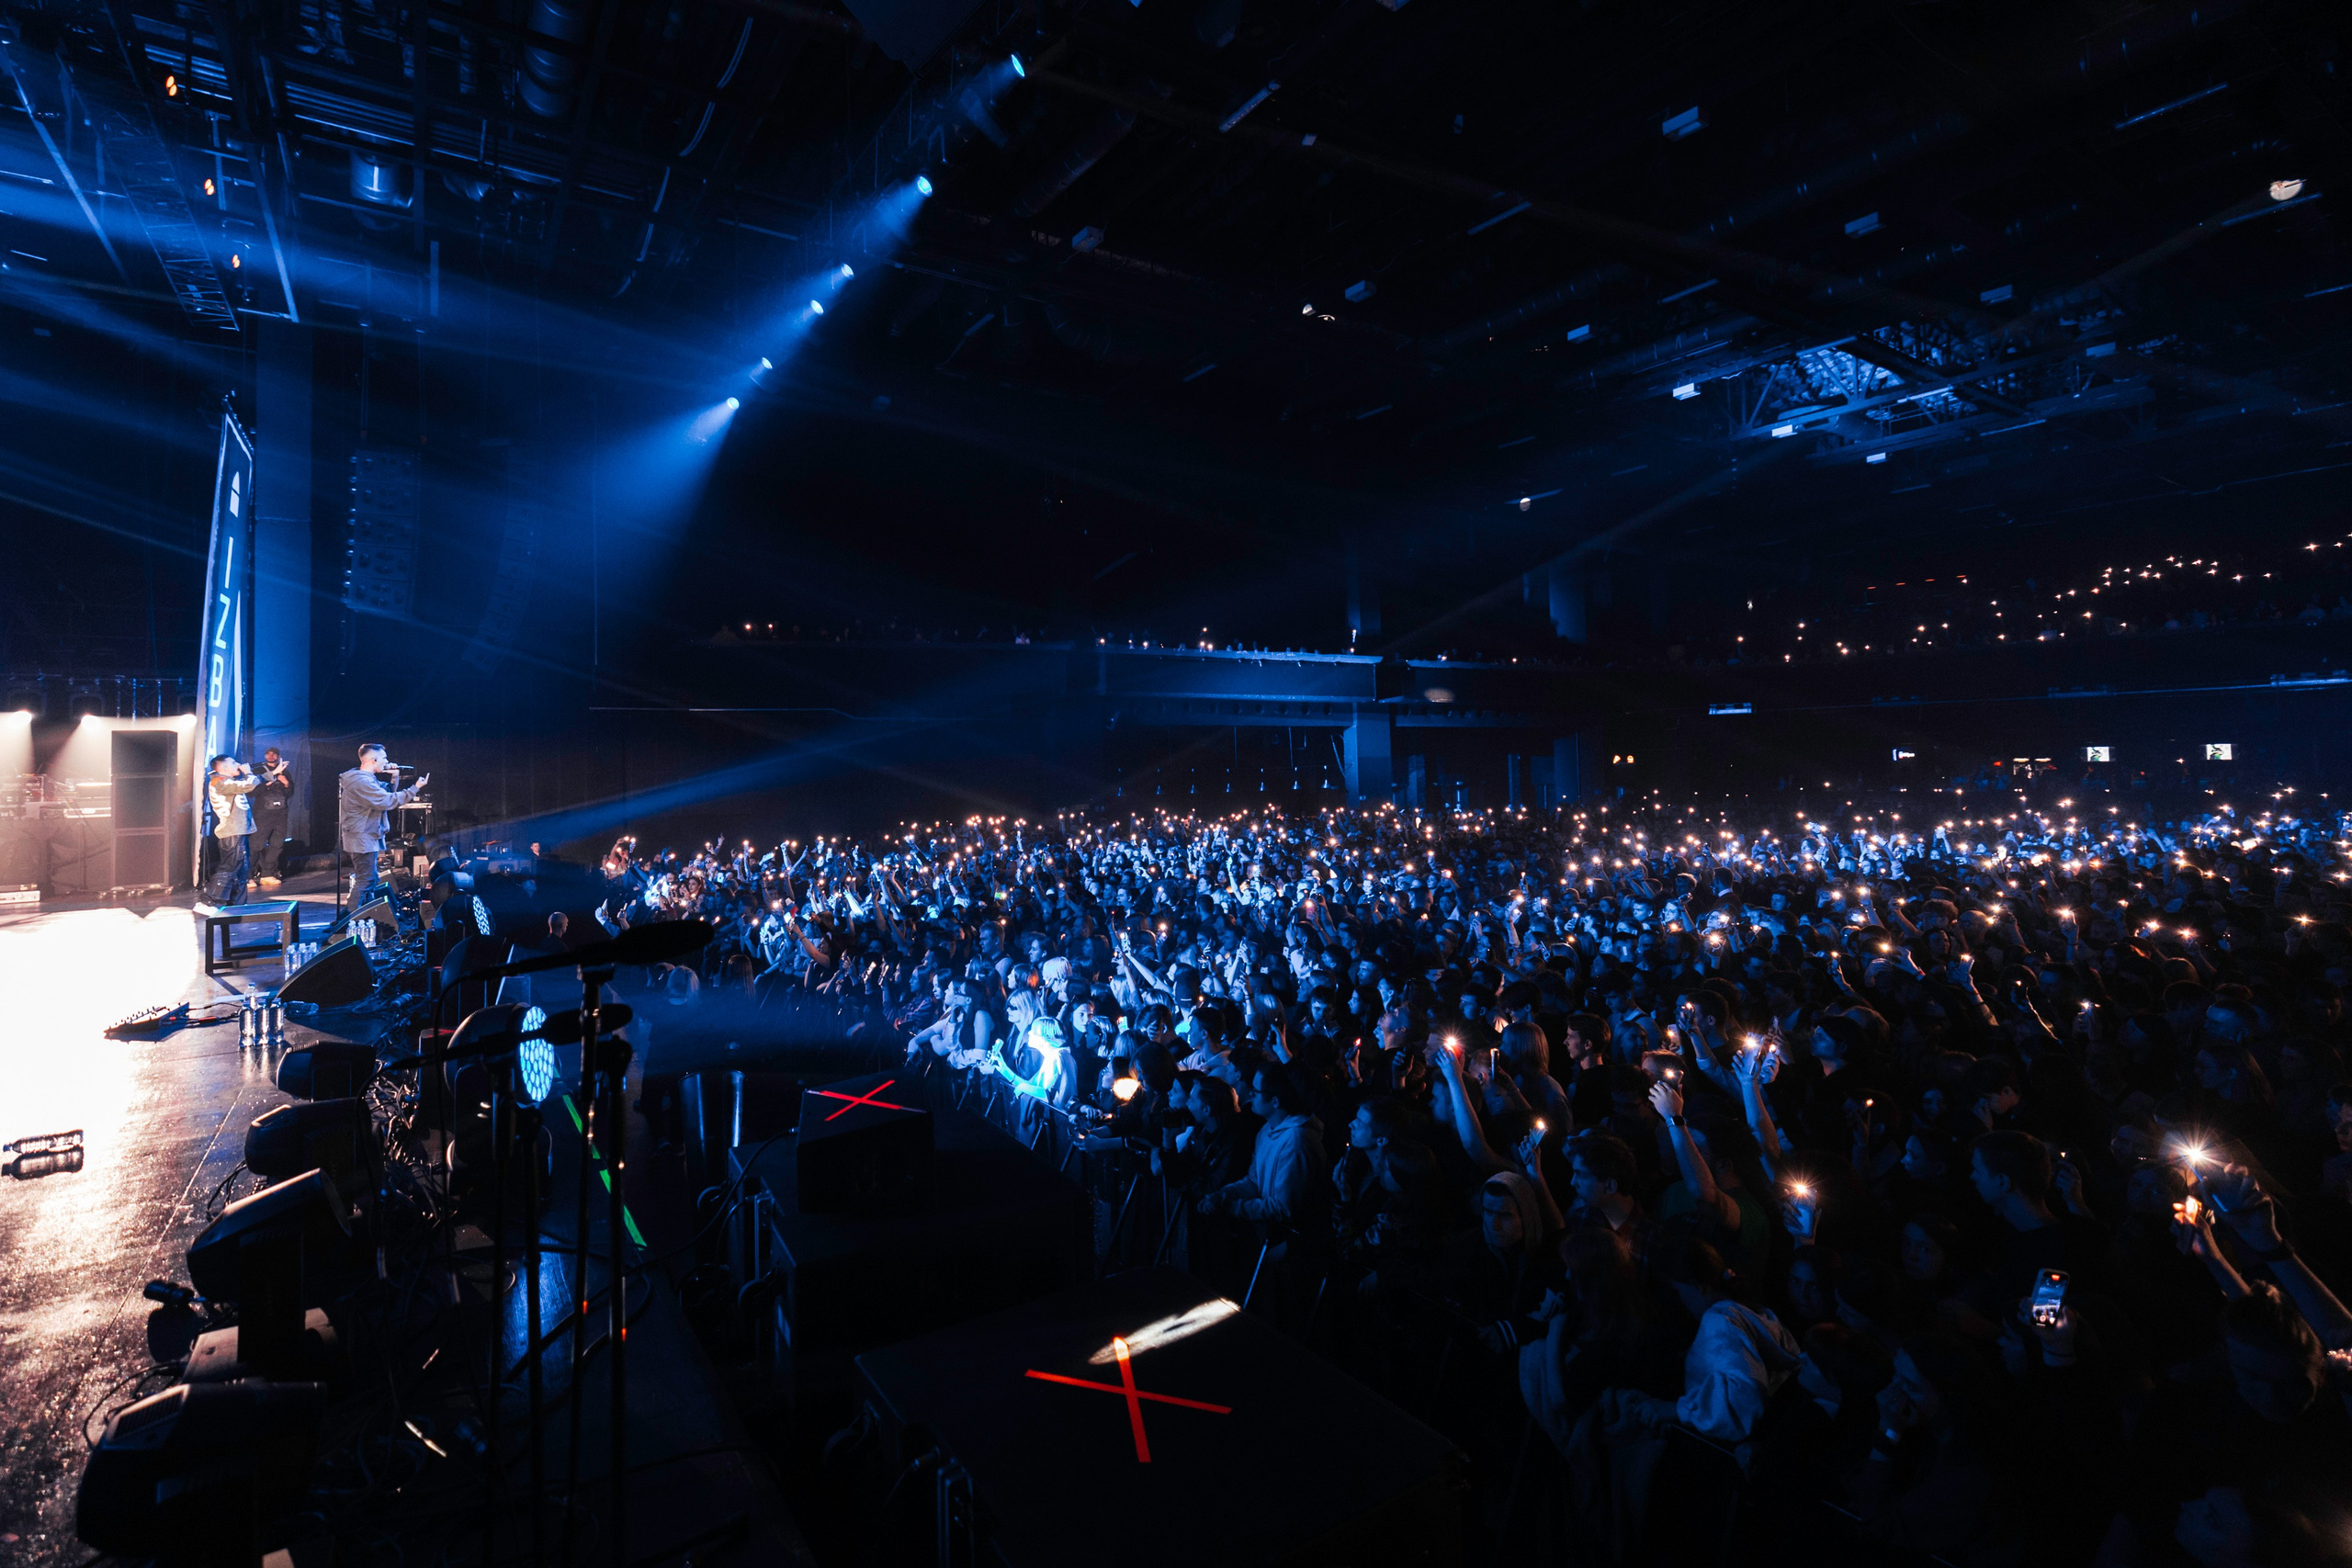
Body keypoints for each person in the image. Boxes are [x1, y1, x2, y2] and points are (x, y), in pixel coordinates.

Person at [337, 742, 426, 910]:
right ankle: (350, 919)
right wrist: (415, 788)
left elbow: (386, 793)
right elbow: (387, 801)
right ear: (373, 759)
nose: (386, 761)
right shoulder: (361, 782)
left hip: (365, 835)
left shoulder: (366, 779)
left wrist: (394, 775)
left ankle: (368, 913)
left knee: (370, 879)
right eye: (384, 758)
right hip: (360, 837)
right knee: (365, 880)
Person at [203, 754, 260, 907]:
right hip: (232, 832)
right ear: (225, 767)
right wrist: (248, 772)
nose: (238, 764)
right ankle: (210, 901)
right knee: (229, 867)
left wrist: (272, 773)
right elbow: (249, 784)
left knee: (241, 872)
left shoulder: (229, 782)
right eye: (234, 763)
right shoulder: (219, 782)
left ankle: (238, 905)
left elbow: (249, 783)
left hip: (240, 831)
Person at [250, 747, 292, 888]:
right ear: (265, 755)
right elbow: (252, 792)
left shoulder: (285, 772)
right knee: (256, 844)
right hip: (262, 813)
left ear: (278, 756)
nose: (271, 755)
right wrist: (269, 781)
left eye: (274, 754)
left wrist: (285, 782)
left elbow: (290, 792)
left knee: (277, 844)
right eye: (268, 753)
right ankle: (249, 876)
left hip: (280, 813)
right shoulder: (258, 771)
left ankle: (267, 874)